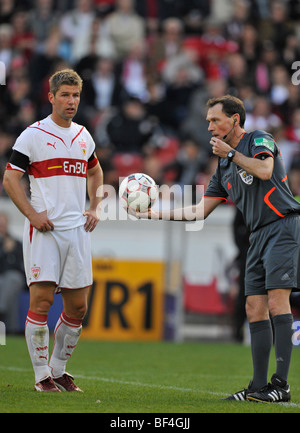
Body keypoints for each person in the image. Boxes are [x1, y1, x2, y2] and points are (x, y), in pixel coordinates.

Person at [131, 95, 300, 403]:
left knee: (277, 303)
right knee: (253, 307)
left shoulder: (258, 140)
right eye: (208, 120)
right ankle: (258, 387)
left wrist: (232, 153)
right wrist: (152, 214)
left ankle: (281, 386)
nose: (208, 126)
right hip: (257, 235)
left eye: (214, 120)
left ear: (234, 120)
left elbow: (264, 170)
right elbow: (198, 211)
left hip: (283, 226)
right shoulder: (223, 167)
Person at [3, 69, 103, 392]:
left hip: (77, 232)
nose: (71, 101)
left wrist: (96, 207)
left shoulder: (83, 137)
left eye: (75, 95)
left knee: (78, 307)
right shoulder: (32, 135)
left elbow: (96, 171)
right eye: (65, 95)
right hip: (44, 232)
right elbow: (9, 179)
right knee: (42, 301)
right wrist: (31, 214)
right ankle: (41, 376)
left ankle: (59, 370)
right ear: (51, 97)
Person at [0, 212, 25, 333]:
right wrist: (4, 252)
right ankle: (12, 330)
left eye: (3, 224)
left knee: (12, 279)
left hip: (14, 278)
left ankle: (1, 309)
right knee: (10, 292)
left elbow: (19, 266)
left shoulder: (16, 243)